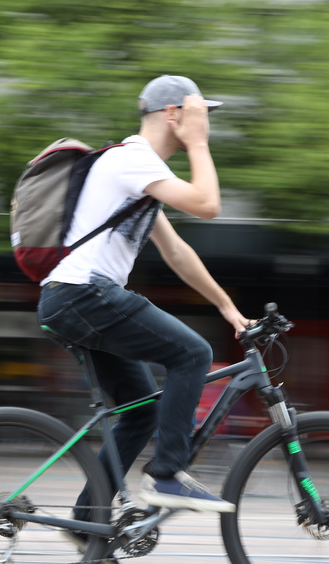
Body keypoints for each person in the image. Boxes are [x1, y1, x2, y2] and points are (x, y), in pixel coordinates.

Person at [36, 74, 251, 514]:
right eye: (197, 112)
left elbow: (176, 251)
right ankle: (167, 476)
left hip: (73, 299)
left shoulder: (138, 176)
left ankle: (87, 517)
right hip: (83, 294)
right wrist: (199, 145)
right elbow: (208, 205)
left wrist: (227, 307)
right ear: (173, 114)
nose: (203, 121)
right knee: (192, 354)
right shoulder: (132, 159)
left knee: (140, 411)